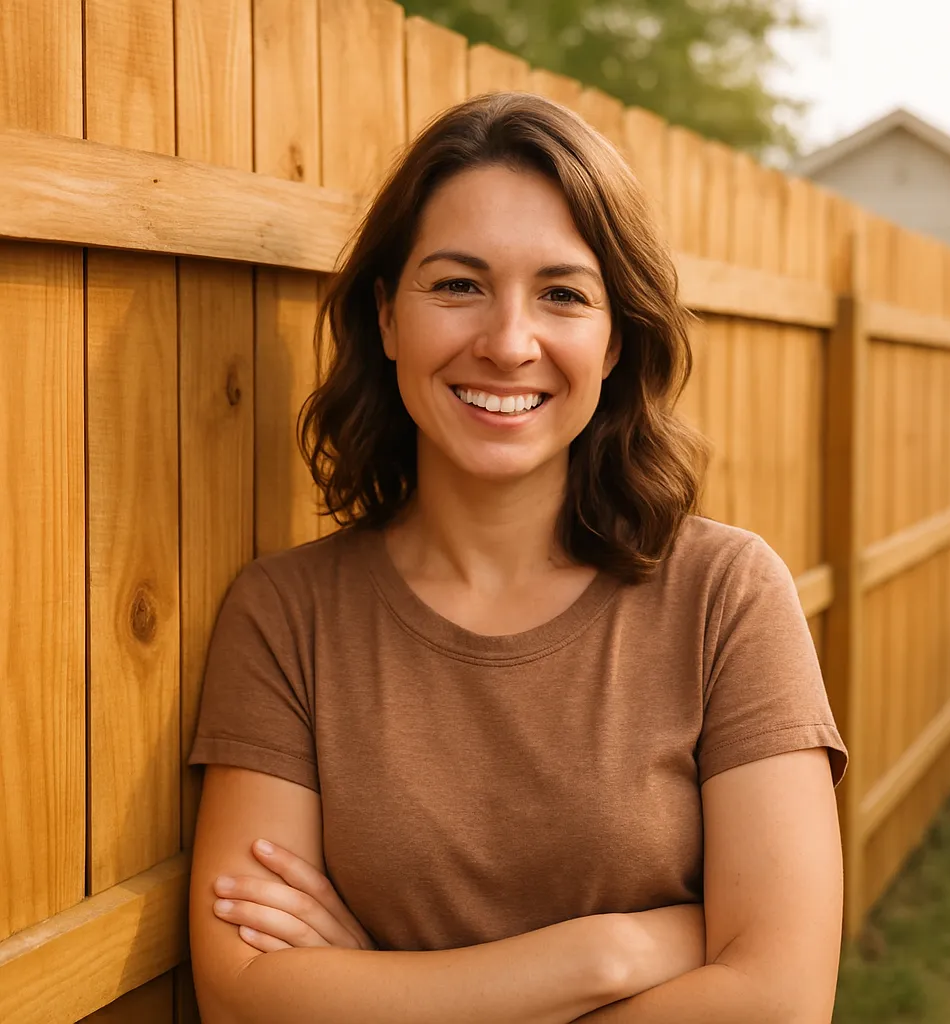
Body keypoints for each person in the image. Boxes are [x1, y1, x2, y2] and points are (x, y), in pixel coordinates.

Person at [187, 91, 849, 1024]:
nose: (507, 343)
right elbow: (246, 996)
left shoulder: (725, 598)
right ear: (386, 317)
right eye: (457, 285)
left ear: (615, 339)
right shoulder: (286, 615)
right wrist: (612, 950)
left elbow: (777, 1003)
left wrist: (377, 990)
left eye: (563, 294)